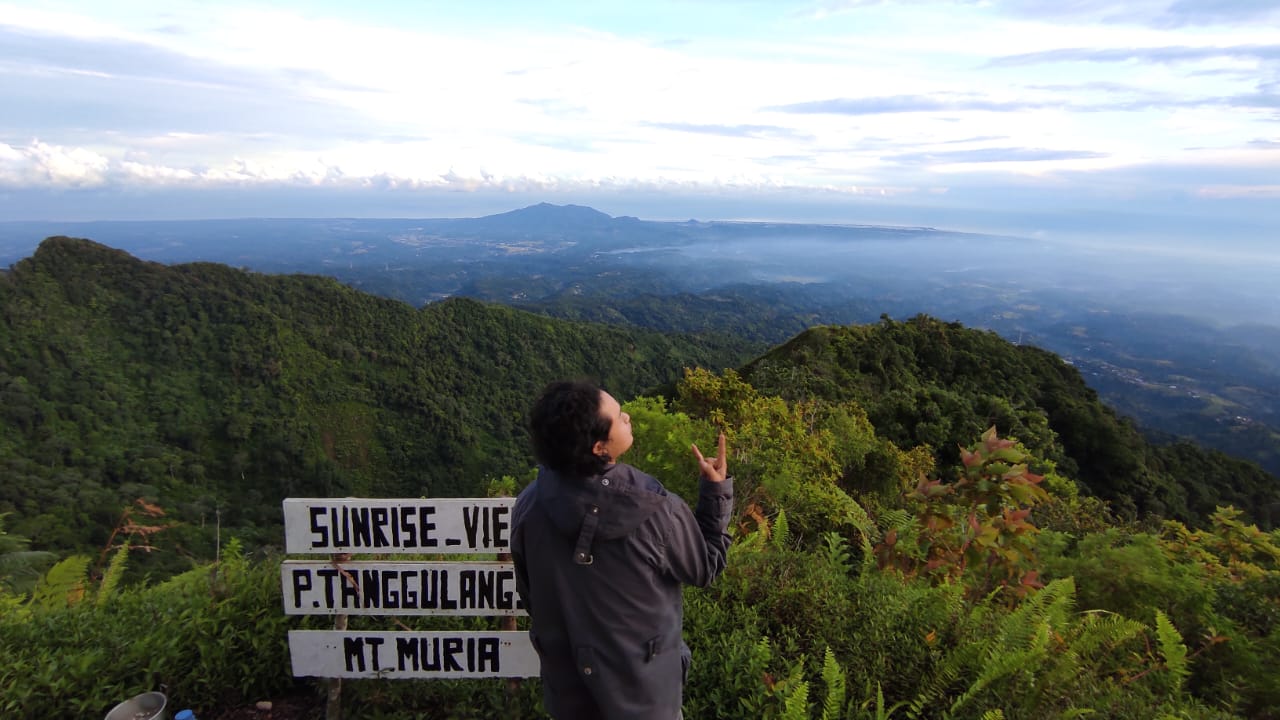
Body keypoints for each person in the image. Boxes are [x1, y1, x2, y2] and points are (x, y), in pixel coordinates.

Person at [511, 380, 733, 720]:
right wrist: (715, 493)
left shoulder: (529, 507)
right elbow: (704, 566)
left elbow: (532, 597)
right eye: (618, 416)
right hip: (644, 697)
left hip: (569, 696)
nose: (627, 416)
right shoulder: (654, 510)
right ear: (600, 447)